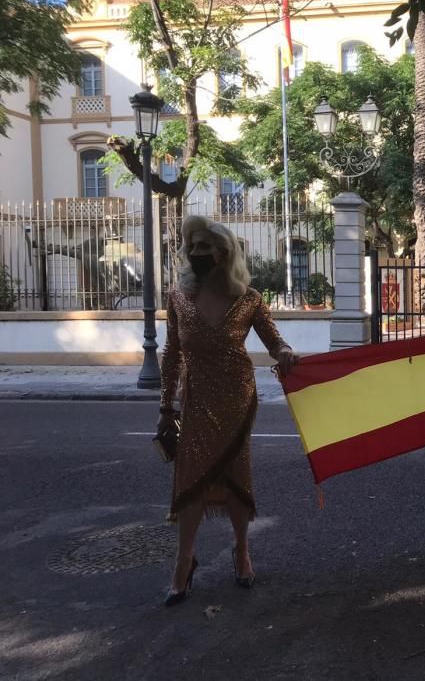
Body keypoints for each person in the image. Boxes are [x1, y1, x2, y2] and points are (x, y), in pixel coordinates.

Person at [158, 215, 299, 605]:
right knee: (192, 481)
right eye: (194, 247)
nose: (198, 253)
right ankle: (184, 562)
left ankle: (241, 550)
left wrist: (284, 352)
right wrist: (165, 407)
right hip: (197, 400)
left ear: (224, 252)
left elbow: (274, 341)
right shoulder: (178, 299)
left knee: (237, 477)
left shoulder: (248, 299)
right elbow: (172, 354)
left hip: (237, 399)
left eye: (206, 247)